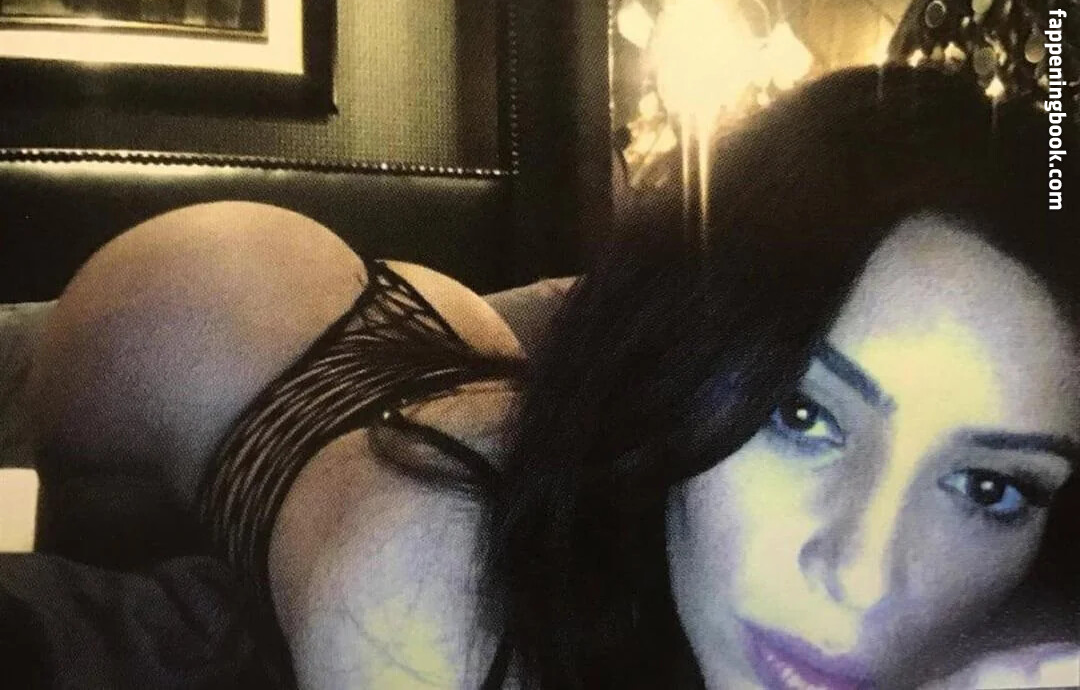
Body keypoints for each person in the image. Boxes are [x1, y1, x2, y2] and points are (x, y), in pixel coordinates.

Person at [28, 65, 1078, 689]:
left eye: (988, 486)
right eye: (800, 412)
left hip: (469, 352)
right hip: (203, 304)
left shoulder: (1011, 610)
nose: (866, 576)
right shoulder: (423, 616)